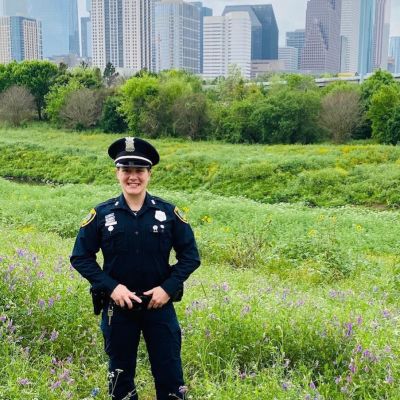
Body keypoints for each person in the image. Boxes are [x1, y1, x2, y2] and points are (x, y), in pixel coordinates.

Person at [70, 137, 201, 400]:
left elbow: (191, 256)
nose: (133, 177)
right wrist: (112, 287)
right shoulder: (102, 214)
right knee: (120, 378)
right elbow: (80, 257)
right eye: (126, 170)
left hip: (159, 307)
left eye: (139, 170)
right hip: (118, 309)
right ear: (117, 173)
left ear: (149, 174)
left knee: (171, 377)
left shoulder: (168, 213)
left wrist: (168, 288)